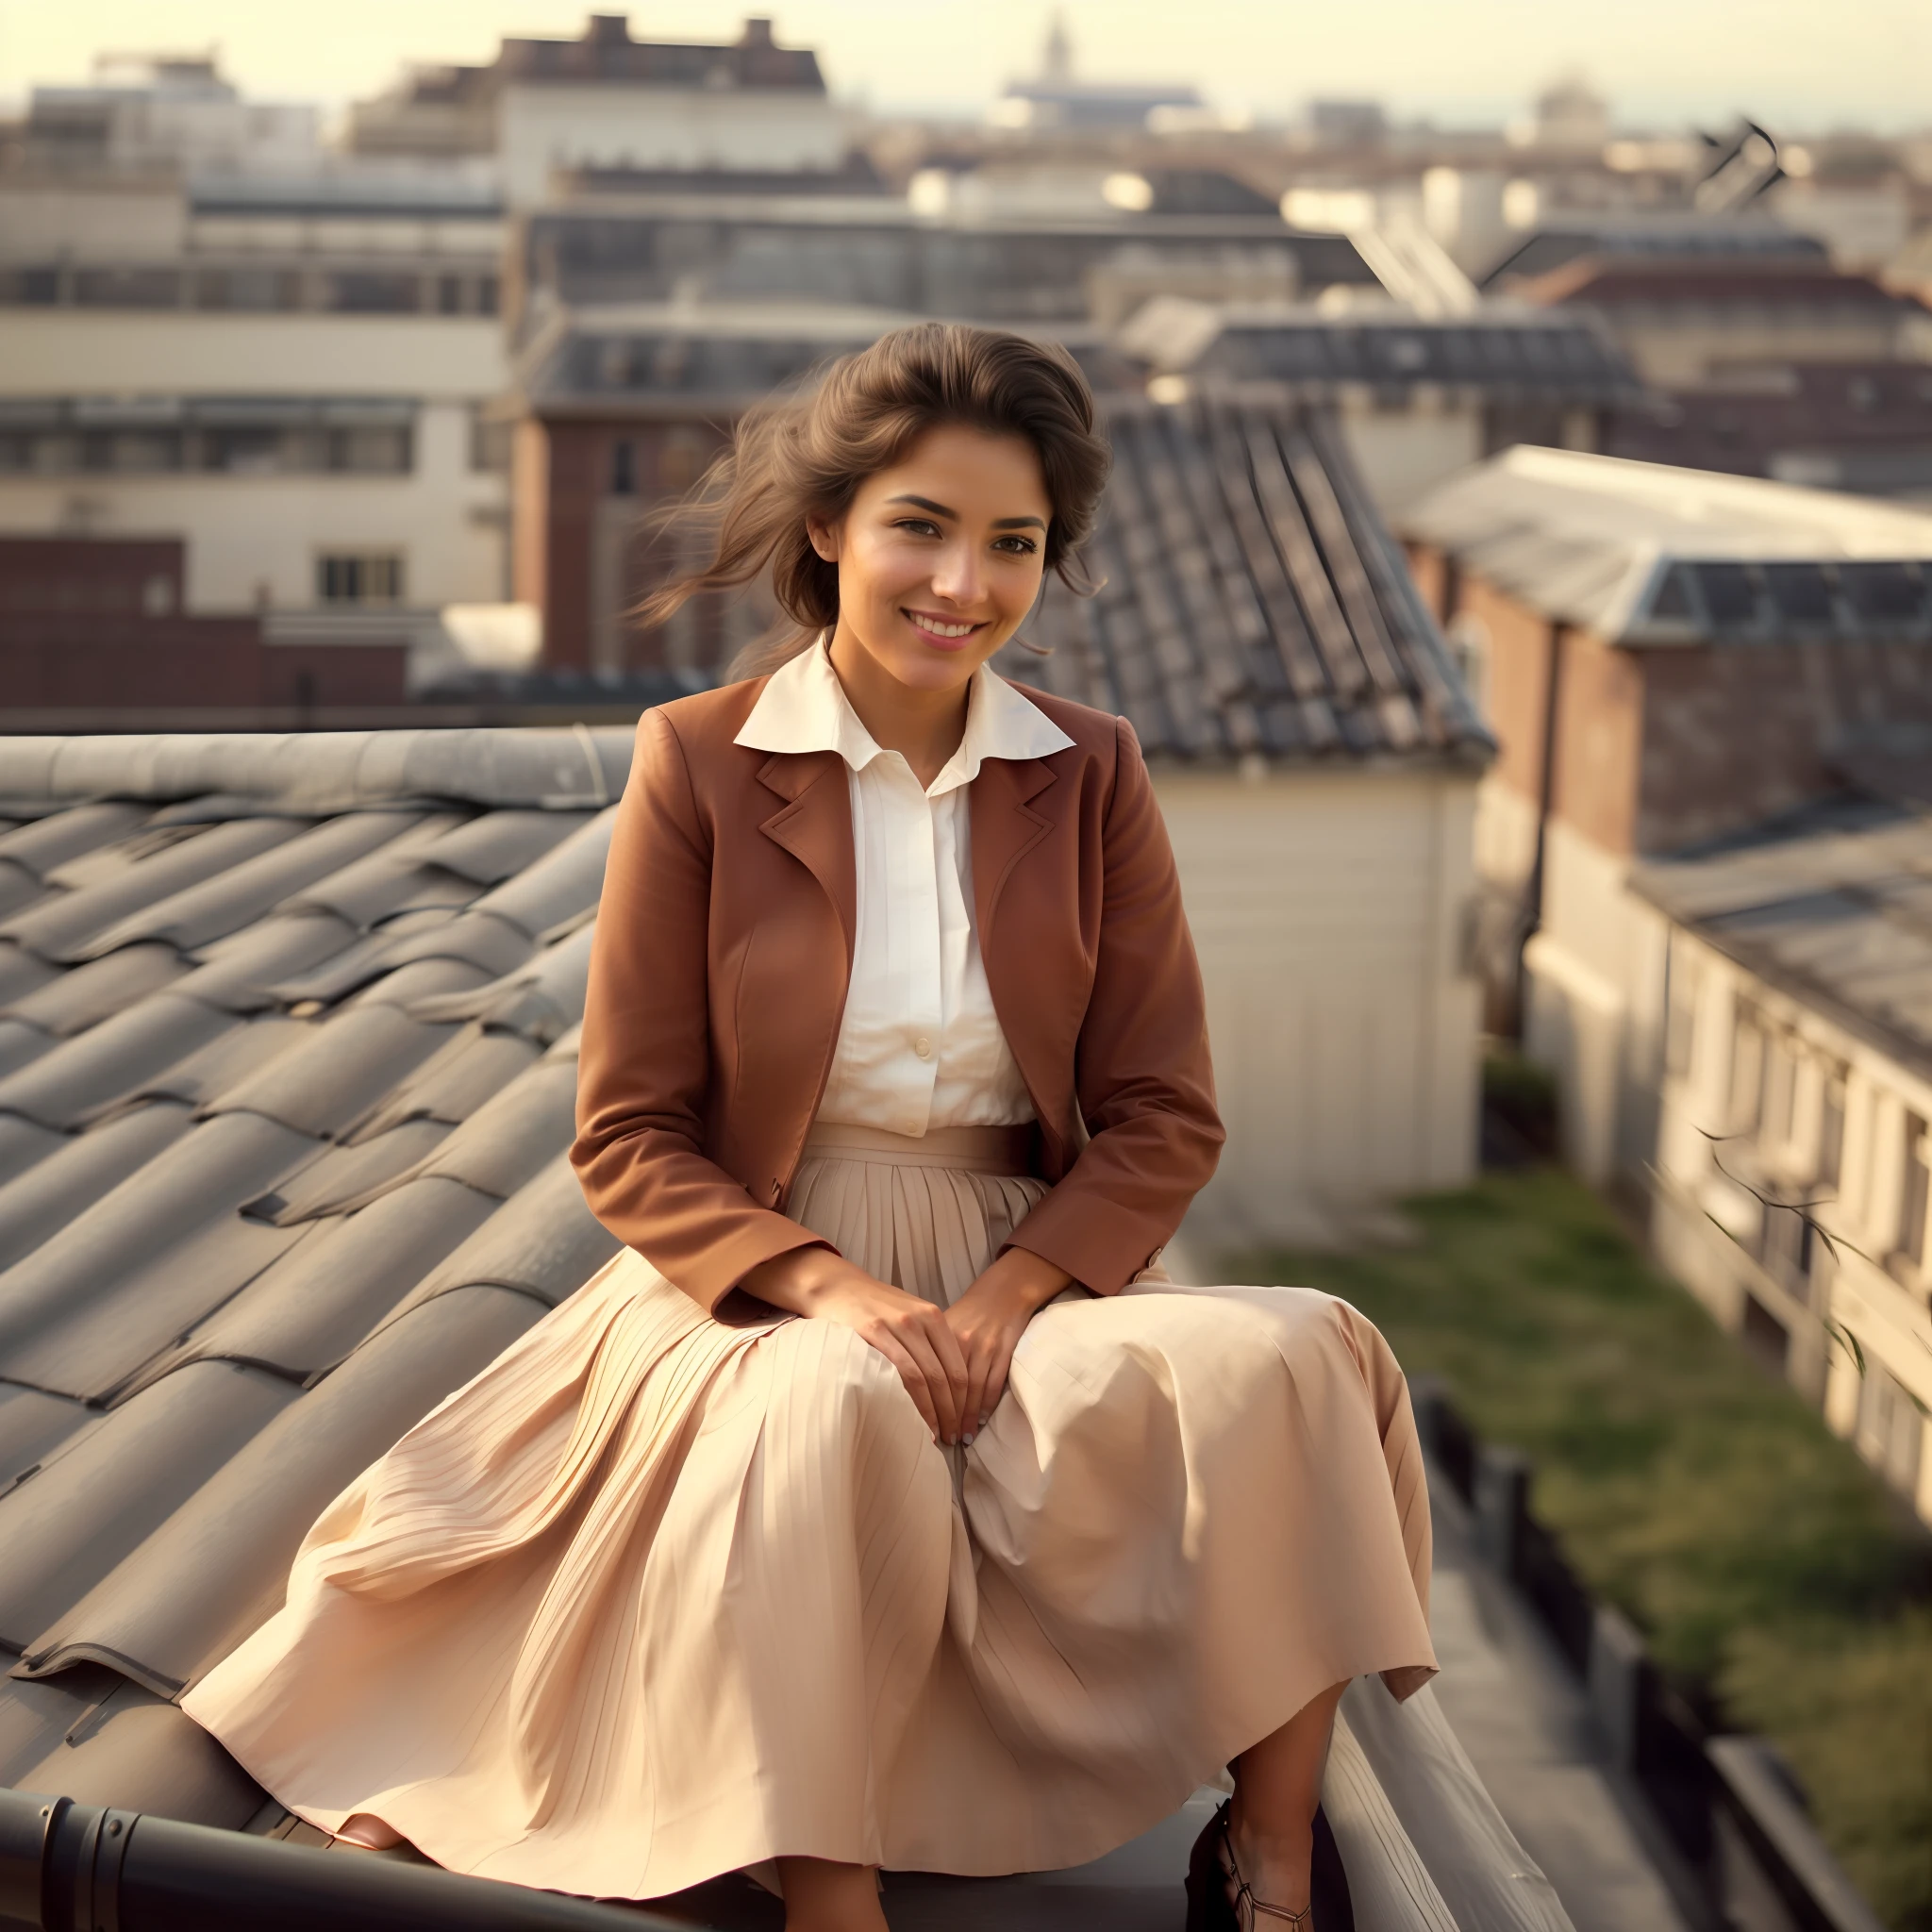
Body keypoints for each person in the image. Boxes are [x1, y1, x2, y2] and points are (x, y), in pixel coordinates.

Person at [184, 325, 1446, 1931]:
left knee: (1307, 1351)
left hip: (1020, 1276)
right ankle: (829, 1899)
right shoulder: (701, 764)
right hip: (765, 1285)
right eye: (922, 525)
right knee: (836, 1408)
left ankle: (1266, 1862)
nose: (963, 584)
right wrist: (838, 1293)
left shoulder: (1094, 774)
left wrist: (1001, 1303)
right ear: (832, 526)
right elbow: (631, 1132)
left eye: (1016, 544)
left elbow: (1161, 1114)